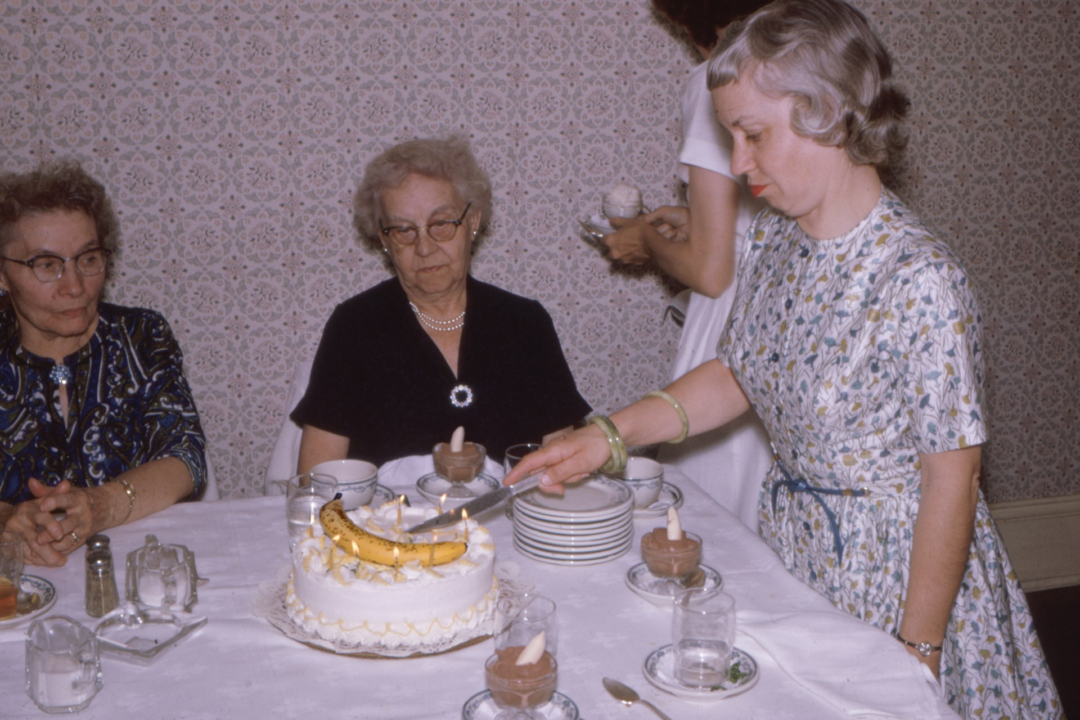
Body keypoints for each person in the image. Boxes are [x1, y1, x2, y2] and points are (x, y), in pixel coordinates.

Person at [507, 2, 1061, 717]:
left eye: (753, 135)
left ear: (828, 111)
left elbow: (951, 483)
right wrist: (605, 436)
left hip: (898, 582)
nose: (739, 164)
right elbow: (736, 374)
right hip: (796, 556)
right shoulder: (774, 240)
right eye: (733, 138)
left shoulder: (920, 278)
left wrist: (917, 653)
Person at [293, 137, 590, 470]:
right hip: (388, 522)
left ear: (472, 221)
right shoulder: (355, 327)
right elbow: (315, 481)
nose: (424, 247)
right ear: (384, 239)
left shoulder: (524, 323)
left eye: (441, 224)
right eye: (404, 230)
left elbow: (564, 463)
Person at [599, 0, 773, 531]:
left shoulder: (715, 83)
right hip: (781, 308)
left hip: (733, 327)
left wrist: (648, 243)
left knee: (716, 521)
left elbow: (712, 271)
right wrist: (693, 220)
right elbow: (752, 229)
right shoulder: (786, 77)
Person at [0, 160, 208, 567]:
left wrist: (100, 506)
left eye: (88, 258)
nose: (74, 285)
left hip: (131, 563)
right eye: (47, 265)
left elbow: (186, 458)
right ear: (3, 275)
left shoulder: (141, 336)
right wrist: (9, 518)